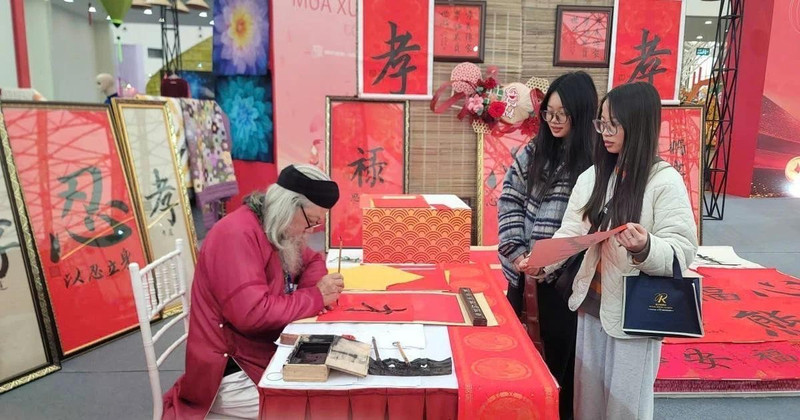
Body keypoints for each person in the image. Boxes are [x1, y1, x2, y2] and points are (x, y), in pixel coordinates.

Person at [525, 82, 698, 419]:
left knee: (624, 407)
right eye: (601, 123)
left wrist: (645, 246)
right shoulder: (593, 176)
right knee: (587, 404)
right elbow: (571, 232)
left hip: (635, 313)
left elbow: (682, 250)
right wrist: (543, 263)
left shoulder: (664, 181)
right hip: (590, 306)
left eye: (613, 124)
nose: (604, 132)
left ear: (639, 124)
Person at [162, 164, 345, 419]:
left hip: (262, 348)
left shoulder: (274, 226)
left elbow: (312, 260)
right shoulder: (236, 235)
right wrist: (314, 297)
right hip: (231, 370)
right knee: (327, 403)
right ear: (290, 206)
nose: (311, 230)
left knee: (337, 379)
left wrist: (313, 291)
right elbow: (252, 314)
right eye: (311, 222)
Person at [497, 71, 598, 420]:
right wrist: (516, 252)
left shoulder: (595, 162)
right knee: (517, 360)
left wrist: (548, 262)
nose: (553, 121)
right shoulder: (534, 151)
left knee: (558, 367)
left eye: (562, 114)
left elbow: (585, 225)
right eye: (549, 113)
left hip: (563, 283)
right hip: (523, 272)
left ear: (581, 114)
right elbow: (509, 199)